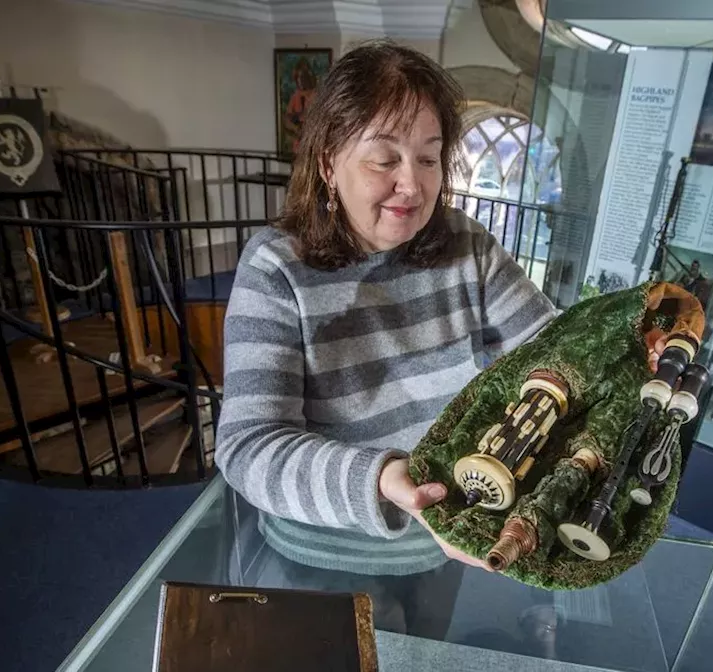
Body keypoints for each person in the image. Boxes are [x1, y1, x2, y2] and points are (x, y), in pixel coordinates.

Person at [213, 40, 560, 637]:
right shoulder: (276, 267)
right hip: (322, 556)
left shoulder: (465, 244)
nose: (412, 185)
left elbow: (553, 350)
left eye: (429, 159)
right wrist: (378, 478)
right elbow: (246, 448)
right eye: (384, 159)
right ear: (327, 160)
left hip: (439, 538)